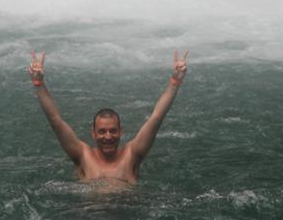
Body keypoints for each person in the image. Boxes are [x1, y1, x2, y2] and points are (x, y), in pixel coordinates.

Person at [27, 49, 189, 185]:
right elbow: (56, 121)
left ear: (121, 131)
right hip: (90, 217)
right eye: (102, 131)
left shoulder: (132, 154)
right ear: (93, 133)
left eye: (113, 131)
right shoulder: (83, 155)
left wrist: (175, 81)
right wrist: (38, 84)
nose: (108, 136)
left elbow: (157, 117)